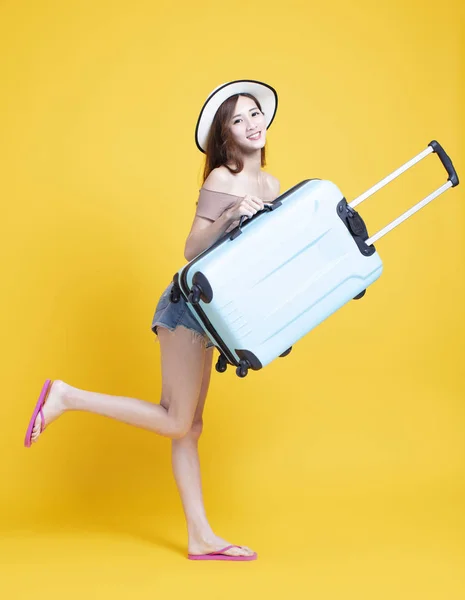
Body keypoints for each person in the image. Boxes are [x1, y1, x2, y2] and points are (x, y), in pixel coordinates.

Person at [24, 79, 281, 562]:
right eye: (239, 118)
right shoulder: (222, 181)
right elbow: (191, 250)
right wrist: (229, 219)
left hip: (219, 312)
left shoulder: (271, 184)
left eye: (255, 114)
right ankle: (66, 396)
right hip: (188, 306)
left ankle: (201, 538)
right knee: (177, 419)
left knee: (190, 427)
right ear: (225, 136)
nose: (252, 123)